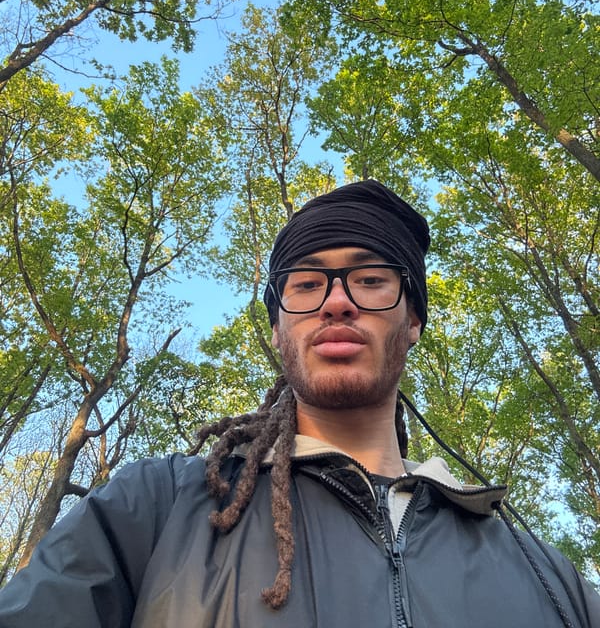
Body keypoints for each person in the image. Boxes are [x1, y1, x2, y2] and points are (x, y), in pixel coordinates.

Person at [0, 179, 598, 628]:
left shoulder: (545, 576)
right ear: (280, 326)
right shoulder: (153, 510)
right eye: (307, 284)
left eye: (370, 279)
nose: (337, 302)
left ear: (412, 318)